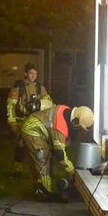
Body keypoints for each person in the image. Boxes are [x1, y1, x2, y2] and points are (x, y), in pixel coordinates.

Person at [7, 63, 70, 195]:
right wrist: (12, 123)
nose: (33, 76)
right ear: (25, 74)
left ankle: (40, 174)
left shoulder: (40, 88)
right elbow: (11, 106)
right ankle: (18, 170)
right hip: (21, 120)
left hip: (37, 122)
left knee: (39, 150)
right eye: (31, 73)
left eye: (35, 74)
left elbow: (48, 103)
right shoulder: (19, 87)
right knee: (20, 145)